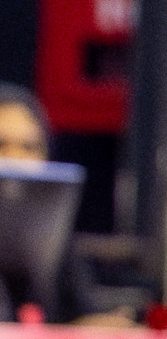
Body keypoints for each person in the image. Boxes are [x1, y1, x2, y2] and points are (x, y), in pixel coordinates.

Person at [0, 83, 140, 327]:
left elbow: (82, 315)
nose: (16, 158)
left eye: (29, 147)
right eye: (2, 145)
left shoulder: (50, 235)